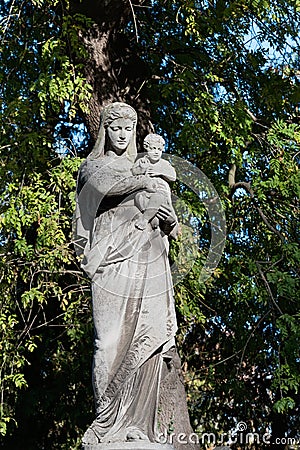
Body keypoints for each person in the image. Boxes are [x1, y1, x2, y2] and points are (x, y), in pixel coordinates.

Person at [74, 102, 178, 446]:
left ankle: (134, 422)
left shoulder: (142, 171)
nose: (122, 135)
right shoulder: (95, 166)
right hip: (111, 258)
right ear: (105, 130)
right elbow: (108, 187)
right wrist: (146, 181)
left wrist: (166, 215)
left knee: (144, 338)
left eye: (128, 129)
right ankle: (105, 422)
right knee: (108, 342)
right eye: (116, 128)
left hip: (145, 256)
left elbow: (170, 222)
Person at [131, 133, 177, 231]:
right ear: (146, 148)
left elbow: (173, 176)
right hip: (146, 191)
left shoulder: (164, 163)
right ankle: (153, 216)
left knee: (157, 198)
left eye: (159, 149)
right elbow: (134, 173)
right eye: (153, 148)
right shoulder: (142, 161)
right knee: (138, 197)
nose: (156, 152)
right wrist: (141, 168)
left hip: (160, 190)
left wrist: (160, 172)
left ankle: (145, 219)